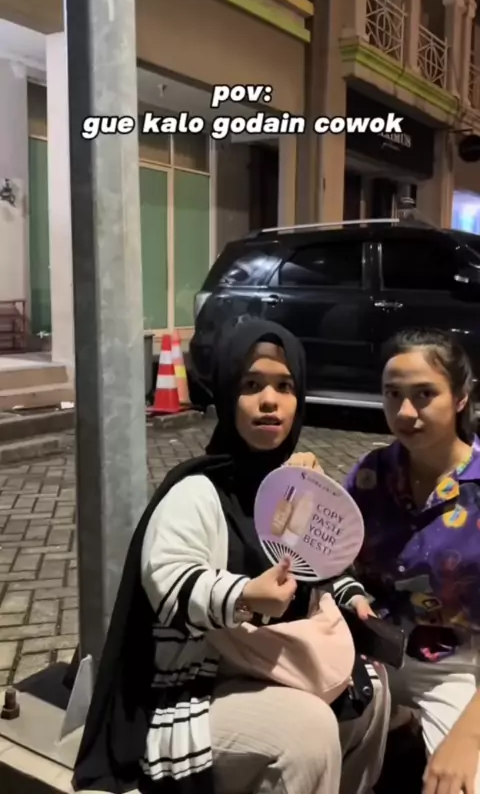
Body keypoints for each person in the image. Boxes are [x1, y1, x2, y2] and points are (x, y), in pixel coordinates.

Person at [72, 317, 390, 794]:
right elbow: (169, 580)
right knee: (306, 731)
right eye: (251, 385)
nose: (269, 400)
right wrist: (244, 595)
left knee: (372, 689)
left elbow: (315, 565)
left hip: (271, 664)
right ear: (226, 395)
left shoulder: (289, 487)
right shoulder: (198, 490)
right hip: (194, 685)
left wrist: (350, 594)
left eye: (285, 386)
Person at [344, 328, 480, 794]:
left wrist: (468, 737)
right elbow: (321, 554)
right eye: (392, 394)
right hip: (369, 653)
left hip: (456, 666)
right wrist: (300, 487)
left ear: (461, 397)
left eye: (424, 394)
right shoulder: (371, 474)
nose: (404, 412)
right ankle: (398, 726)